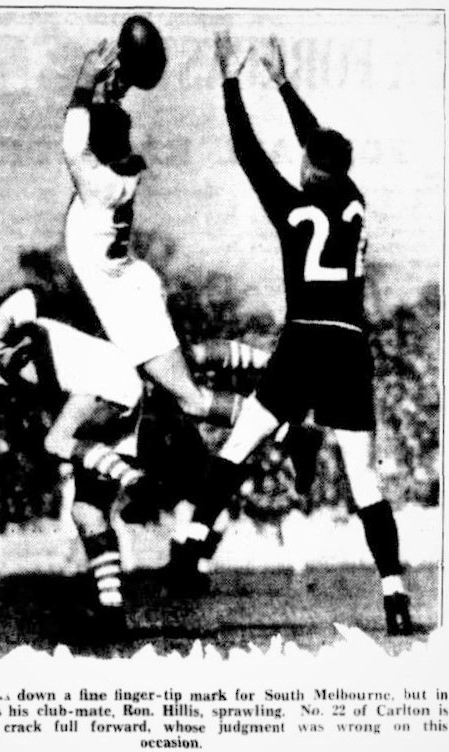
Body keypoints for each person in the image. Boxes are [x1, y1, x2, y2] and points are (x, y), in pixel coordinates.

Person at [193, 32, 411, 636]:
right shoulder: (355, 200)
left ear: (310, 169)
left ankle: (188, 541)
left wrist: (231, 82)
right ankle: (393, 590)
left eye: (305, 159)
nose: (298, 159)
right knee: (365, 479)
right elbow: (318, 146)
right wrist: (284, 85)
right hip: (350, 342)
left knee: (243, 438)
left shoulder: (292, 210)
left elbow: (248, 151)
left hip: (305, 338)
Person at [0, 287, 151, 634]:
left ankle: (132, 478)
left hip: (104, 378)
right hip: (112, 393)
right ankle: (113, 611)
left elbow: (25, 299)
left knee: (55, 441)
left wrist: (33, 345)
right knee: (87, 511)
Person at [62, 31, 242, 430]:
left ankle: (285, 429)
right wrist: (113, 83)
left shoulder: (99, 183)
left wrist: (85, 78)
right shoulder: (120, 168)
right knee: (179, 368)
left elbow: (74, 143)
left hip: (126, 302)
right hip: (132, 285)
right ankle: (260, 366)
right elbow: (100, 126)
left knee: (191, 400)